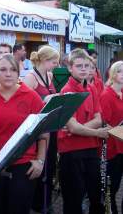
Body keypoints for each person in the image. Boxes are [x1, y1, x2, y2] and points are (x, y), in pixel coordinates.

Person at [0, 54, 46, 214]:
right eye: (3, 69)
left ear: (18, 73)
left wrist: (40, 160)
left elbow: (43, 132)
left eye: (13, 69)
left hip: (23, 164)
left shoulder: (31, 96)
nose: (8, 73)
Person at [58, 48, 109, 214]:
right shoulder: (66, 91)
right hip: (71, 152)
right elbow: (73, 126)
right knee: (73, 200)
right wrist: (95, 132)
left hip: (90, 149)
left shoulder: (92, 88)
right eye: (79, 66)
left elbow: (98, 119)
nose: (84, 69)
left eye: (87, 66)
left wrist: (78, 129)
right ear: (70, 68)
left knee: (96, 197)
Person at [23, 45, 60, 213]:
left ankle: (45, 201)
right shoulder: (31, 77)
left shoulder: (49, 75)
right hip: (37, 127)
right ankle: (36, 202)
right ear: (44, 61)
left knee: (49, 164)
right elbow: (24, 101)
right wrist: (46, 98)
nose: (56, 65)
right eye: (54, 62)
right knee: (39, 163)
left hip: (50, 125)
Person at [100, 61, 123, 214]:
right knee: (112, 186)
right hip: (113, 146)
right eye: (121, 72)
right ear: (113, 74)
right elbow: (106, 123)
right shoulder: (106, 94)